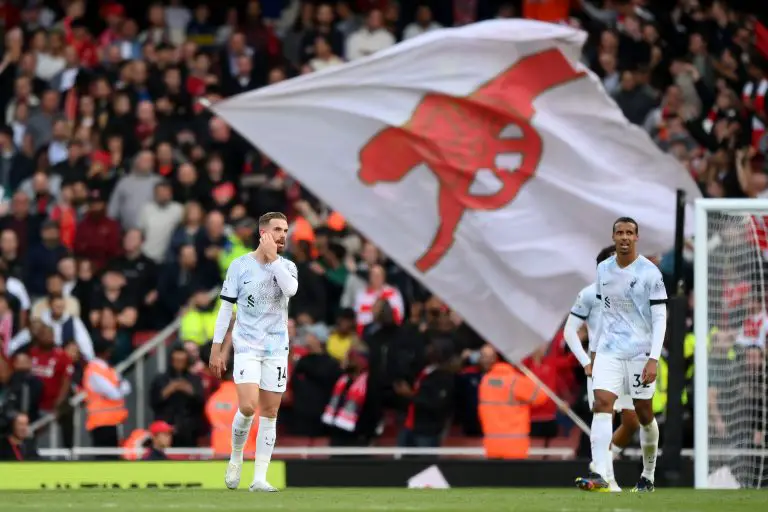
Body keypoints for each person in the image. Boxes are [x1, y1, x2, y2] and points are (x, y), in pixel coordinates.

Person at [208, 212, 298, 492]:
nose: (283, 235)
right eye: (277, 230)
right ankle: (236, 456)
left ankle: (259, 478)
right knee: (248, 406)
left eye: (285, 230)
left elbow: (291, 290)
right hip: (246, 345)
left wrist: (273, 260)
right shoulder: (239, 266)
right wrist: (216, 347)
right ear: (263, 234)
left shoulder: (288, 266)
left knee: (270, 412)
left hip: (276, 347)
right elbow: (226, 308)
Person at [576, 218, 667, 493]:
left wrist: (653, 358)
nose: (624, 237)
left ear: (636, 237)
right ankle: (602, 474)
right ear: (613, 236)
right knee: (602, 404)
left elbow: (660, 317)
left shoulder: (650, 274)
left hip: (640, 354)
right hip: (609, 352)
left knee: (643, 414)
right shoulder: (604, 269)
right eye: (620, 232)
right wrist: (593, 353)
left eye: (629, 232)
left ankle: (648, 475)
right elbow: (604, 313)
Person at [564, 245, 641, 492]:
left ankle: (603, 464)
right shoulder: (589, 294)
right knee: (605, 413)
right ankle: (602, 474)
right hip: (602, 365)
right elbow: (569, 332)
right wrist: (586, 362)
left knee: (631, 421)